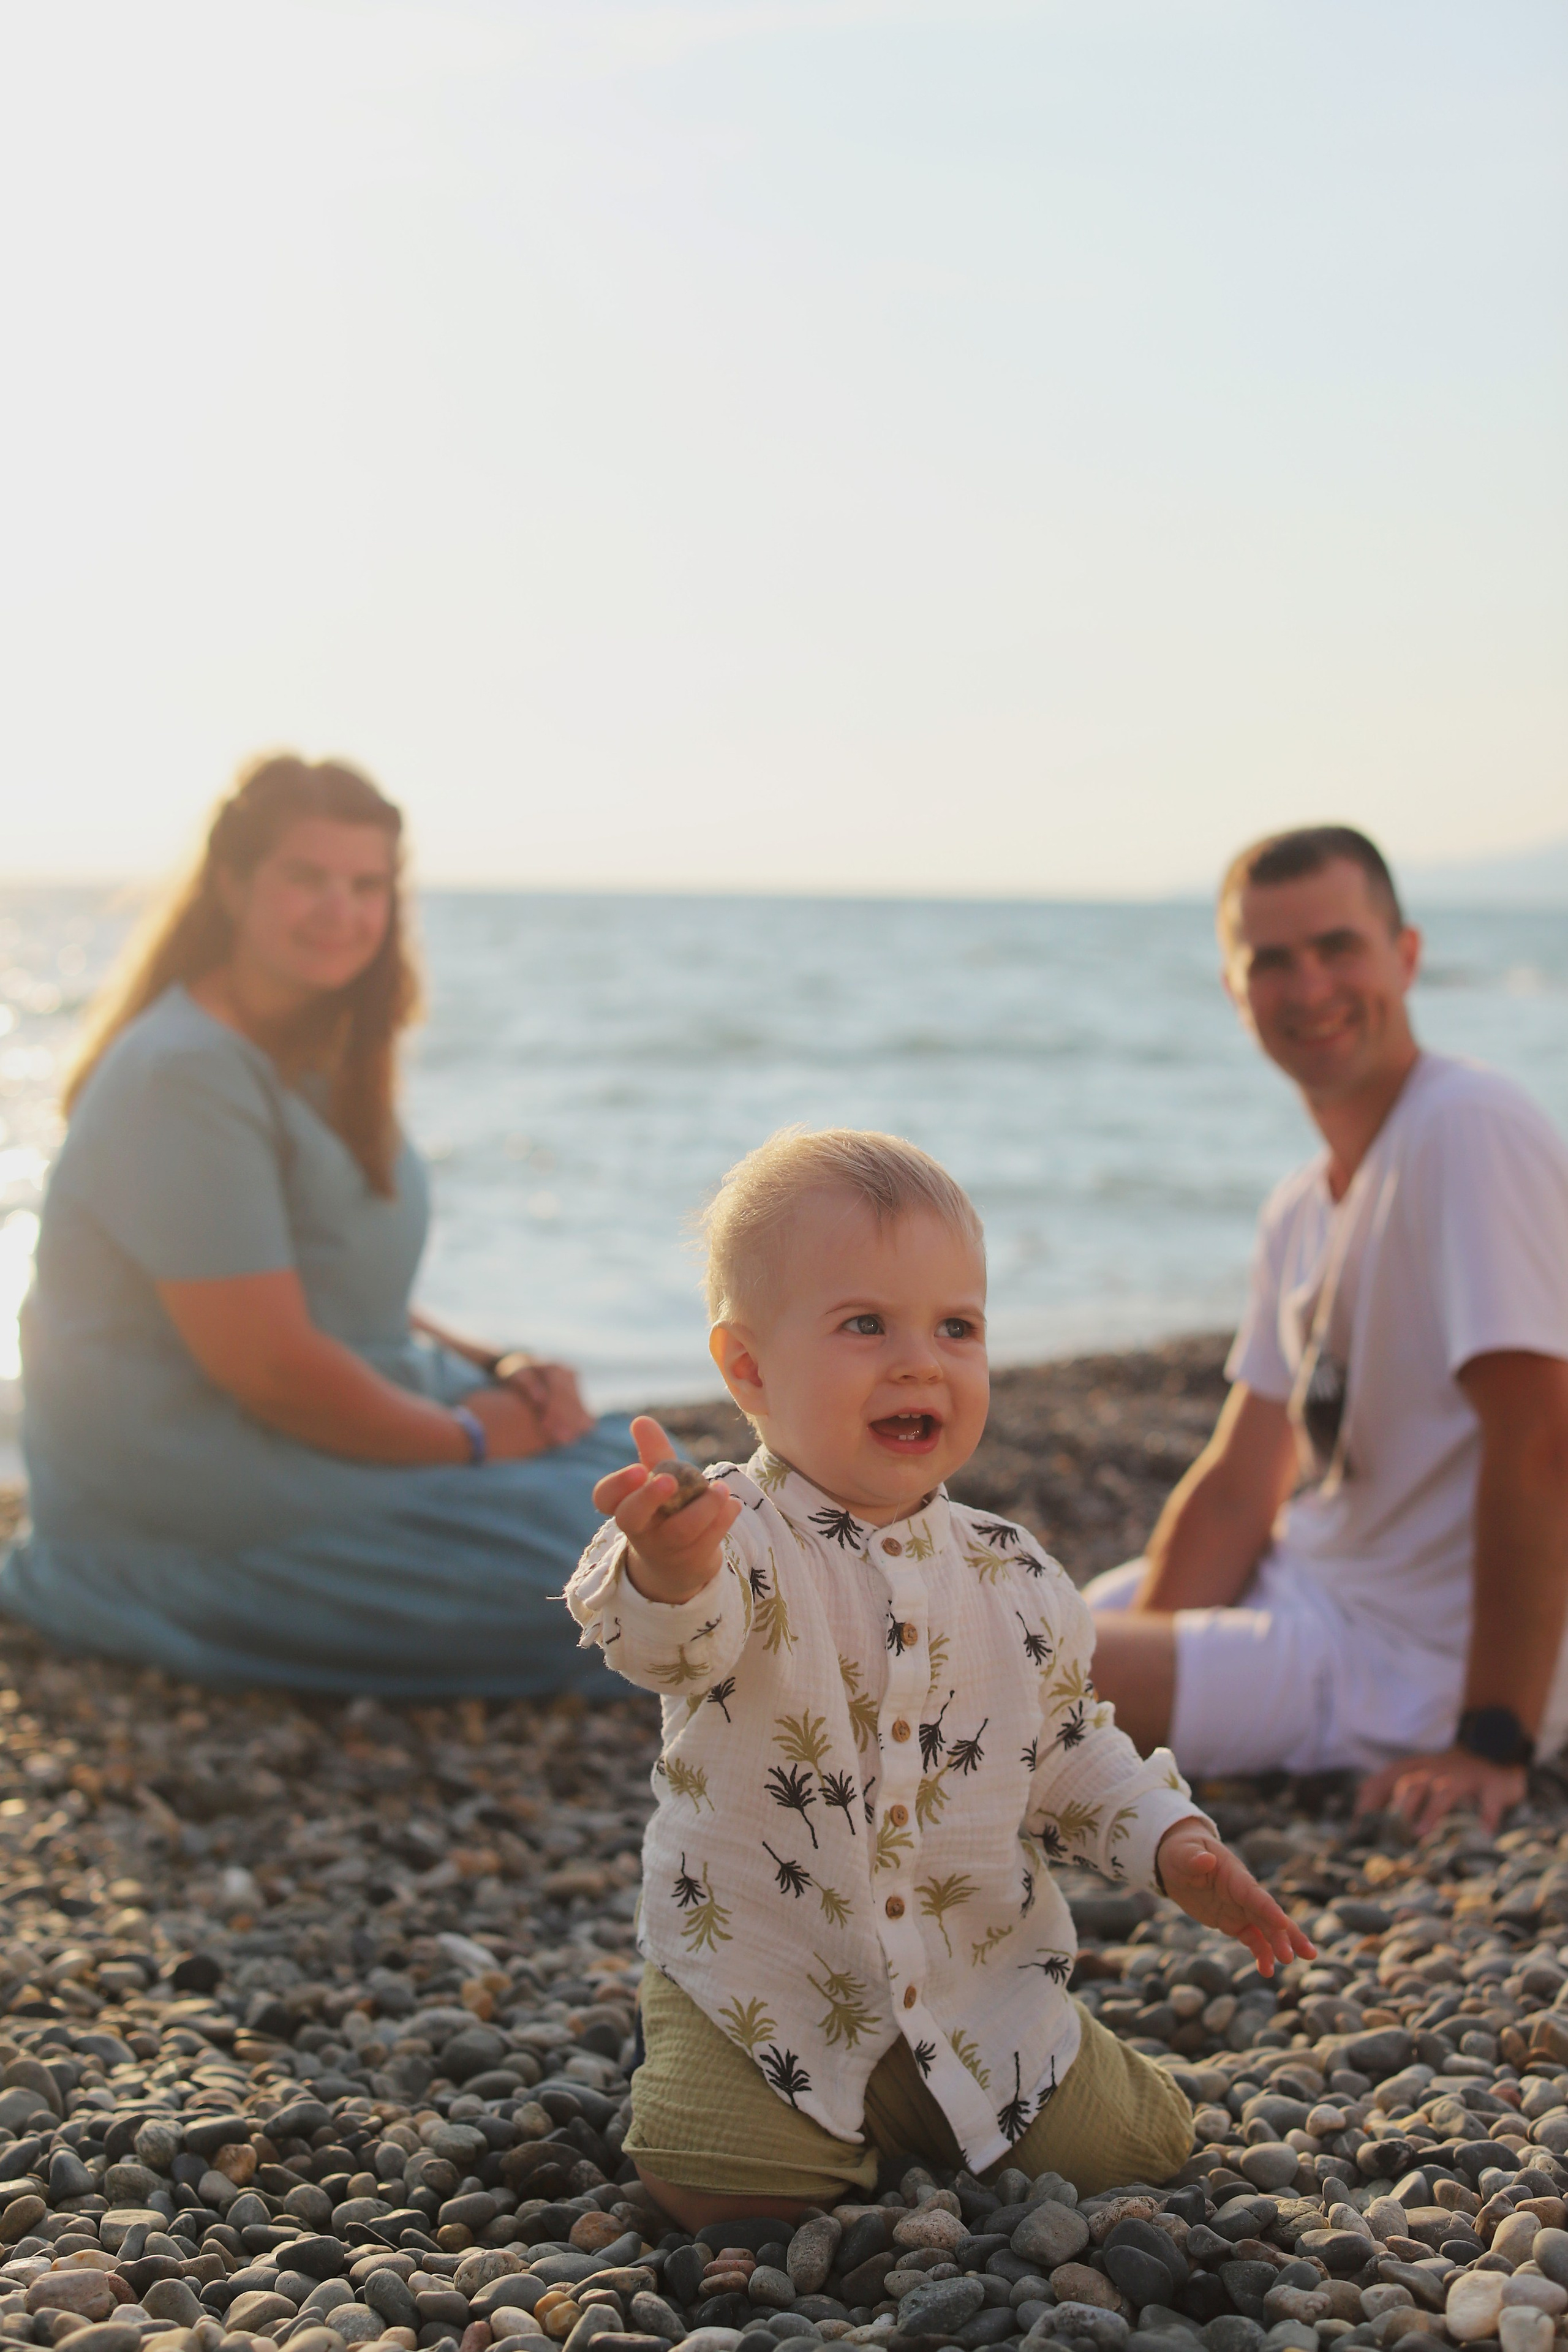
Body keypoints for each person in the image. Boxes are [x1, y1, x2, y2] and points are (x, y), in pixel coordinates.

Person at [565, 1128, 1310, 2222]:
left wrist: (1169, 1841)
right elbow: (671, 1645)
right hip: (766, 1987)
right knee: (720, 2191)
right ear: (749, 1367)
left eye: (957, 1327)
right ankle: (828, 2126)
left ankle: (925, 2111)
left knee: (1141, 2155)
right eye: (866, 1324)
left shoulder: (1013, 1571)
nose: (921, 1363)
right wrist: (668, 1568)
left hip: (975, 1986)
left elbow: (1067, 1749)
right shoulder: (733, 1532)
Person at [0, 753, 634, 1695]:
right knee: (623, 1584)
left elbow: (330, 1278)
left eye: (366, 885)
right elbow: (268, 1365)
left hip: (335, 1422)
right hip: (207, 1493)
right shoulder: (184, 1074)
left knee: (643, 1476)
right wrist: (469, 1437)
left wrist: (500, 1370)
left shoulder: (314, 1049)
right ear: (232, 884)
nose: (341, 910)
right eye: (307, 877)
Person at [1088, 826, 1568, 1835]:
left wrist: (1493, 1737)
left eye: (1338, 947)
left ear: (1406, 955)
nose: (1309, 988)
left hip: (1409, 1659)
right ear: (1235, 990)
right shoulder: (1301, 1205)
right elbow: (1241, 1485)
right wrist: (1143, 1674)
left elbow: (1542, 1440)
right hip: (1306, 1586)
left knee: (985, 1672)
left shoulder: (1467, 1126)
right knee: (1005, 1636)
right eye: (1272, 961)